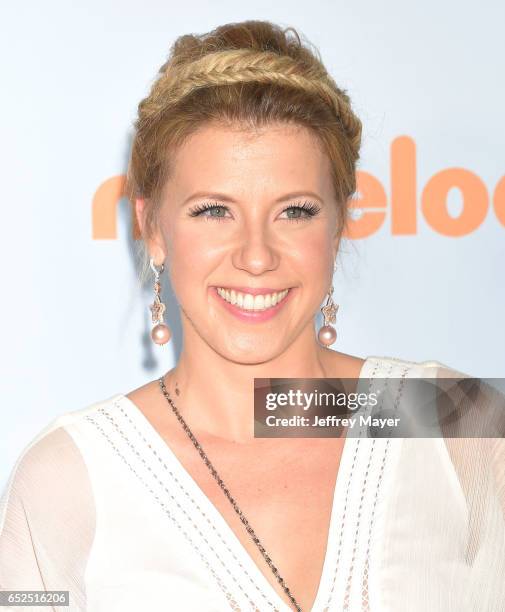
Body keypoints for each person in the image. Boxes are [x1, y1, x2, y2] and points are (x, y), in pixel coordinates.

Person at [1, 19, 504, 612]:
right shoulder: (71, 477)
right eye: (214, 210)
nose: (257, 256)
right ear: (150, 227)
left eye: (295, 211)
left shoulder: (454, 419)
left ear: (340, 224)